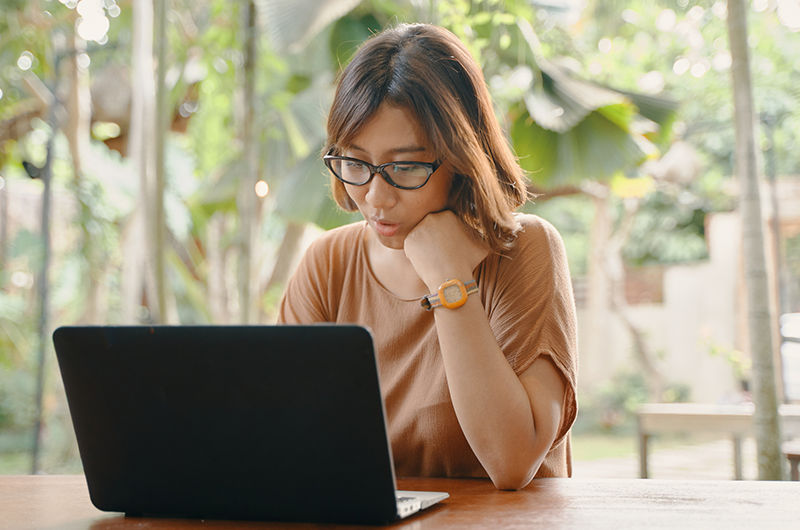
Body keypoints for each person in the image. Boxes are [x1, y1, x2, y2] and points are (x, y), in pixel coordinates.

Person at [278, 23, 577, 490]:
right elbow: (283, 440)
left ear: (459, 160)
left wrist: (449, 279)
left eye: (404, 167)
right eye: (355, 163)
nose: (376, 197)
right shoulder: (327, 264)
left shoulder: (525, 251)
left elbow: (513, 461)